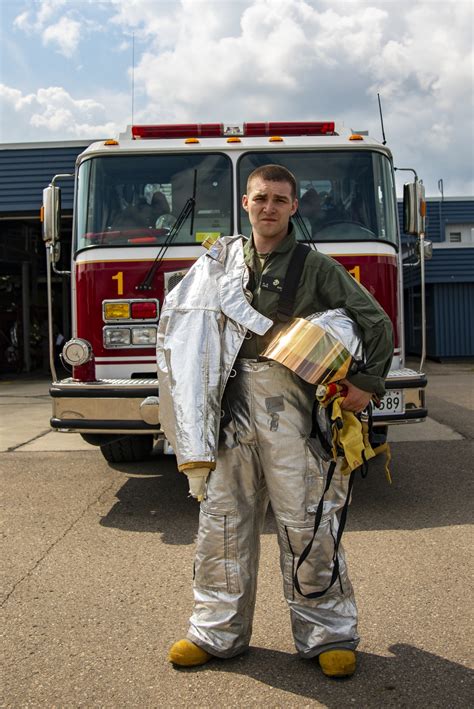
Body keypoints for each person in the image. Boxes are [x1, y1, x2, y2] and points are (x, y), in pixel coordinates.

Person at [157, 165, 393, 677]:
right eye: (261, 197)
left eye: (280, 199)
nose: (270, 207)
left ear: (293, 207)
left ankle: (328, 632)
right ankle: (216, 632)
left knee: (307, 519)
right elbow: (182, 324)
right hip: (228, 402)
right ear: (245, 203)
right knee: (222, 519)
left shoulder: (316, 267)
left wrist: (366, 385)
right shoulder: (218, 264)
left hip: (293, 408)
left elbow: (375, 321)